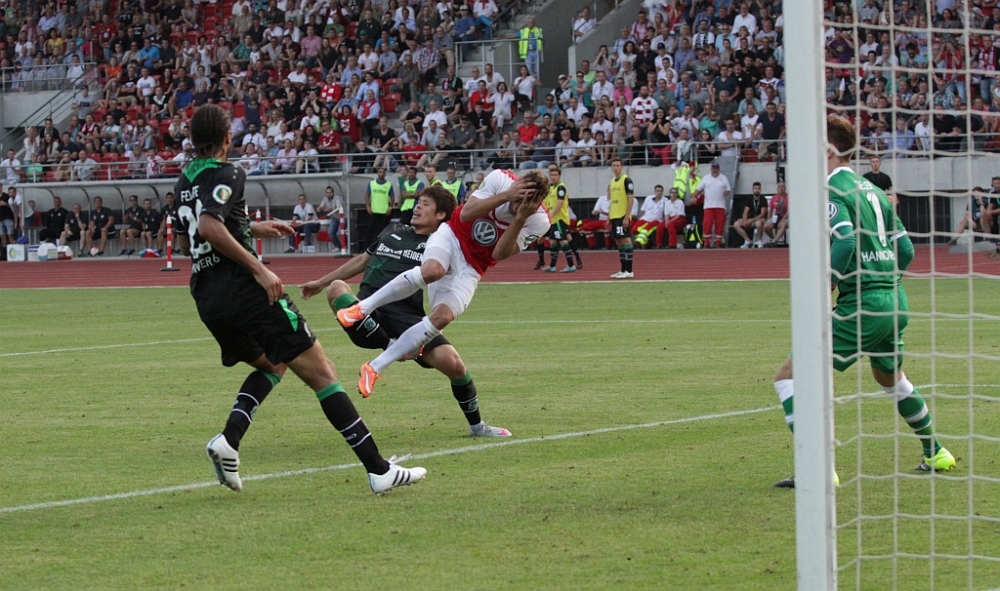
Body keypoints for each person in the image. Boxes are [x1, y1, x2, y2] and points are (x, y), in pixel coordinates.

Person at [172, 104, 425, 495]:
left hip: (207, 296)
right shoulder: (229, 172)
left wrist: (253, 227)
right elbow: (208, 226)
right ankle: (379, 471)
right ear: (227, 137)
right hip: (245, 290)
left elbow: (191, 235)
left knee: (274, 363)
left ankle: (229, 440)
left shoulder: (183, 181)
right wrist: (258, 268)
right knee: (323, 371)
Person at [772, 116, 955, 488]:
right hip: (894, 300)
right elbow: (906, 250)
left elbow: (845, 242)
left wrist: (824, 289)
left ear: (829, 150)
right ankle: (936, 452)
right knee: (890, 378)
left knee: (790, 376)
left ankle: (819, 468)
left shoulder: (832, 191)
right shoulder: (872, 189)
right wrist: (884, 280)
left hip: (862, 305)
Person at [300, 187, 510, 438]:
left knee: (455, 365)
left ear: (441, 215)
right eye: (418, 202)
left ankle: (477, 426)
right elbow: (362, 260)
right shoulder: (392, 230)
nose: (417, 207)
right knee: (336, 288)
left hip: (406, 317)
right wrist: (320, 282)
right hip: (367, 313)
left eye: (425, 204)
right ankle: (391, 346)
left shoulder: (441, 244)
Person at [336, 169, 549, 397]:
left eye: (528, 204)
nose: (519, 206)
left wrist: (520, 218)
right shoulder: (500, 179)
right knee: (433, 270)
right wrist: (506, 196)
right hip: (451, 236)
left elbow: (499, 253)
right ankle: (361, 309)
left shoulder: (539, 221)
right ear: (517, 186)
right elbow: (466, 214)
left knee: (442, 317)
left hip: (472, 267)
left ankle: (374, 367)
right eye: (519, 199)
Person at [535, 166, 577, 272]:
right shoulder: (551, 188)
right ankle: (552, 266)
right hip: (554, 220)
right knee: (553, 241)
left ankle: (571, 265)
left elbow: (560, 203)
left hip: (559, 219)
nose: (553, 177)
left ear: (559, 176)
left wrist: (551, 215)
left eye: (555, 175)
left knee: (562, 241)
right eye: (552, 175)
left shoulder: (560, 187)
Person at [607, 158, 635, 278]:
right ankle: (623, 269)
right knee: (619, 241)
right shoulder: (612, 181)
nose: (616, 168)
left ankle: (629, 270)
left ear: (622, 167)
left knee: (626, 240)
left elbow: (631, 200)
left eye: (618, 165)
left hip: (622, 215)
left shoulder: (626, 180)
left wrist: (626, 217)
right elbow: (612, 201)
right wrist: (609, 217)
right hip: (614, 215)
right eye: (614, 166)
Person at [693, 161, 731, 248]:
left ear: (719, 169)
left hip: (720, 205)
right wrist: (694, 196)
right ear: (711, 169)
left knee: (719, 224)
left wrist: (726, 192)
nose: (715, 170)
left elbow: (728, 189)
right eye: (713, 168)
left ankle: (718, 242)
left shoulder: (724, 178)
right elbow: (699, 188)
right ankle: (706, 242)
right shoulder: (706, 178)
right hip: (708, 206)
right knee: (707, 223)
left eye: (716, 168)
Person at [364, 167, 395, 250]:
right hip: (374, 211)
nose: (381, 174)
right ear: (377, 173)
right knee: (370, 231)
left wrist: (390, 207)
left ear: (385, 174)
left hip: (384, 212)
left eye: (383, 172)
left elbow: (392, 197)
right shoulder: (372, 183)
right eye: (380, 172)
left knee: (383, 232)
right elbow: (367, 195)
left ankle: (382, 248)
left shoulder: (388, 184)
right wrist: (368, 206)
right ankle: (366, 249)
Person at [734, 182, 768, 249]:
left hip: (760, 219)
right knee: (736, 224)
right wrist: (745, 220)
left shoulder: (763, 199)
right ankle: (748, 240)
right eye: (755, 188)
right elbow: (745, 212)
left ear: (760, 190)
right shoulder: (749, 199)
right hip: (750, 218)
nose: (757, 190)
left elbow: (762, 214)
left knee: (758, 223)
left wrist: (752, 220)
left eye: (758, 189)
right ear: (752, 190)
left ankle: (759, 241)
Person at [764, 181, 789, 246]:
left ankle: (774, 241)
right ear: (777, 188)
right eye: (779, 186)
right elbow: (770, 210)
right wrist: (769, 220)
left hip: (785, 217)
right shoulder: (774, 197)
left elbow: (789, 211)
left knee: (784, 224)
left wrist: (782, 220)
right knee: (766, 226)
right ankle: (773, 239)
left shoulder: (788, 197)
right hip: (776, 217)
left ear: (785, 188)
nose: (781, 188)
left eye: (783, 187)